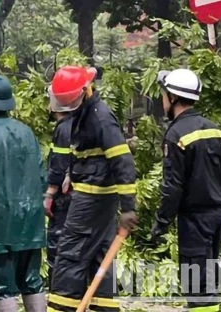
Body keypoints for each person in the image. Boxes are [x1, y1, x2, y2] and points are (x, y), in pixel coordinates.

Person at [148, 69, 221, 312]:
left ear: (173, 98)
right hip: (217, 218)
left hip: (195, 220)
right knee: (207, 279)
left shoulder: (176, 134)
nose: (162, 99)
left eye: (164, 94)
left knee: (196, 284)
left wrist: (160, 224)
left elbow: (173, 187)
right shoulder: (215, 130)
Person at [48, 66, 138, 312]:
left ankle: (60, 308)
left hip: (91, 199)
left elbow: (123, 160)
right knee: (100, 255)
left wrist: (129, 206)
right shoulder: (86, 113)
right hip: (97, 198)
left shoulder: (99, 117)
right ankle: (103, 308)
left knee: (69, 254)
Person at [0, 74, 46, 312]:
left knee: (0, 286)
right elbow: (42, 175)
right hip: (31, 220)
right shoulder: (27, 133)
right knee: (32, 281)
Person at [45, 90, 73, 277]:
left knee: (58, 239)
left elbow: (59, 163)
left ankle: (59, 287)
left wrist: (49, 193)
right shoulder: (81, 123)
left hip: (65, 195)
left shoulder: (64, 128)